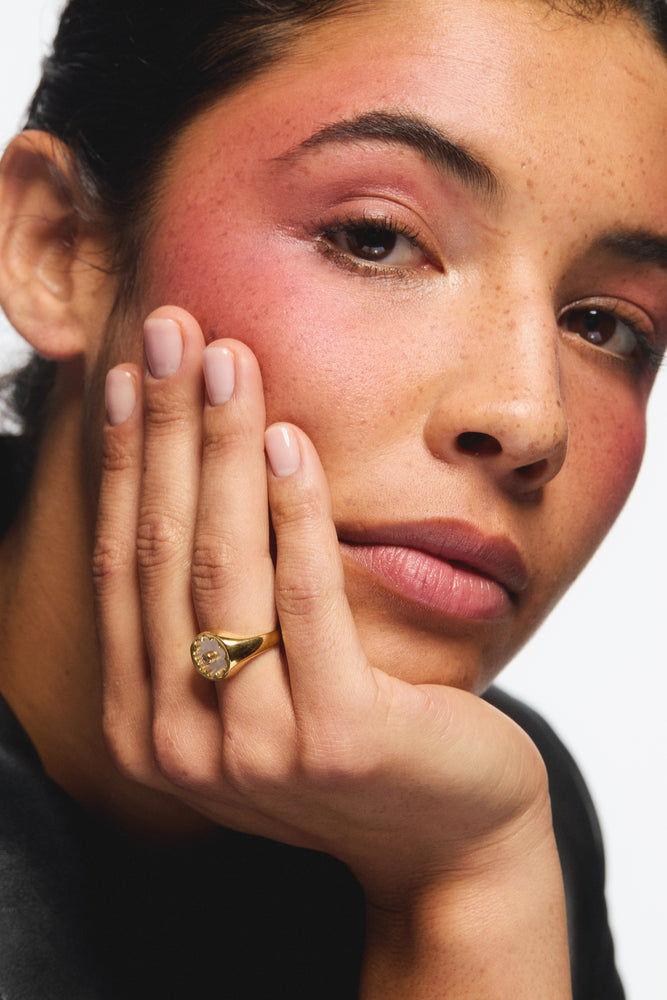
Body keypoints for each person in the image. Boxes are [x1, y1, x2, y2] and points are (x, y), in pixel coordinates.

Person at [0, 0, 665, 996]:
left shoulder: (478, 795)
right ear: (63, 248)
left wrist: (471, 887)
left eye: (606, 325)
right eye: (374, 238)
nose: (533, 416)